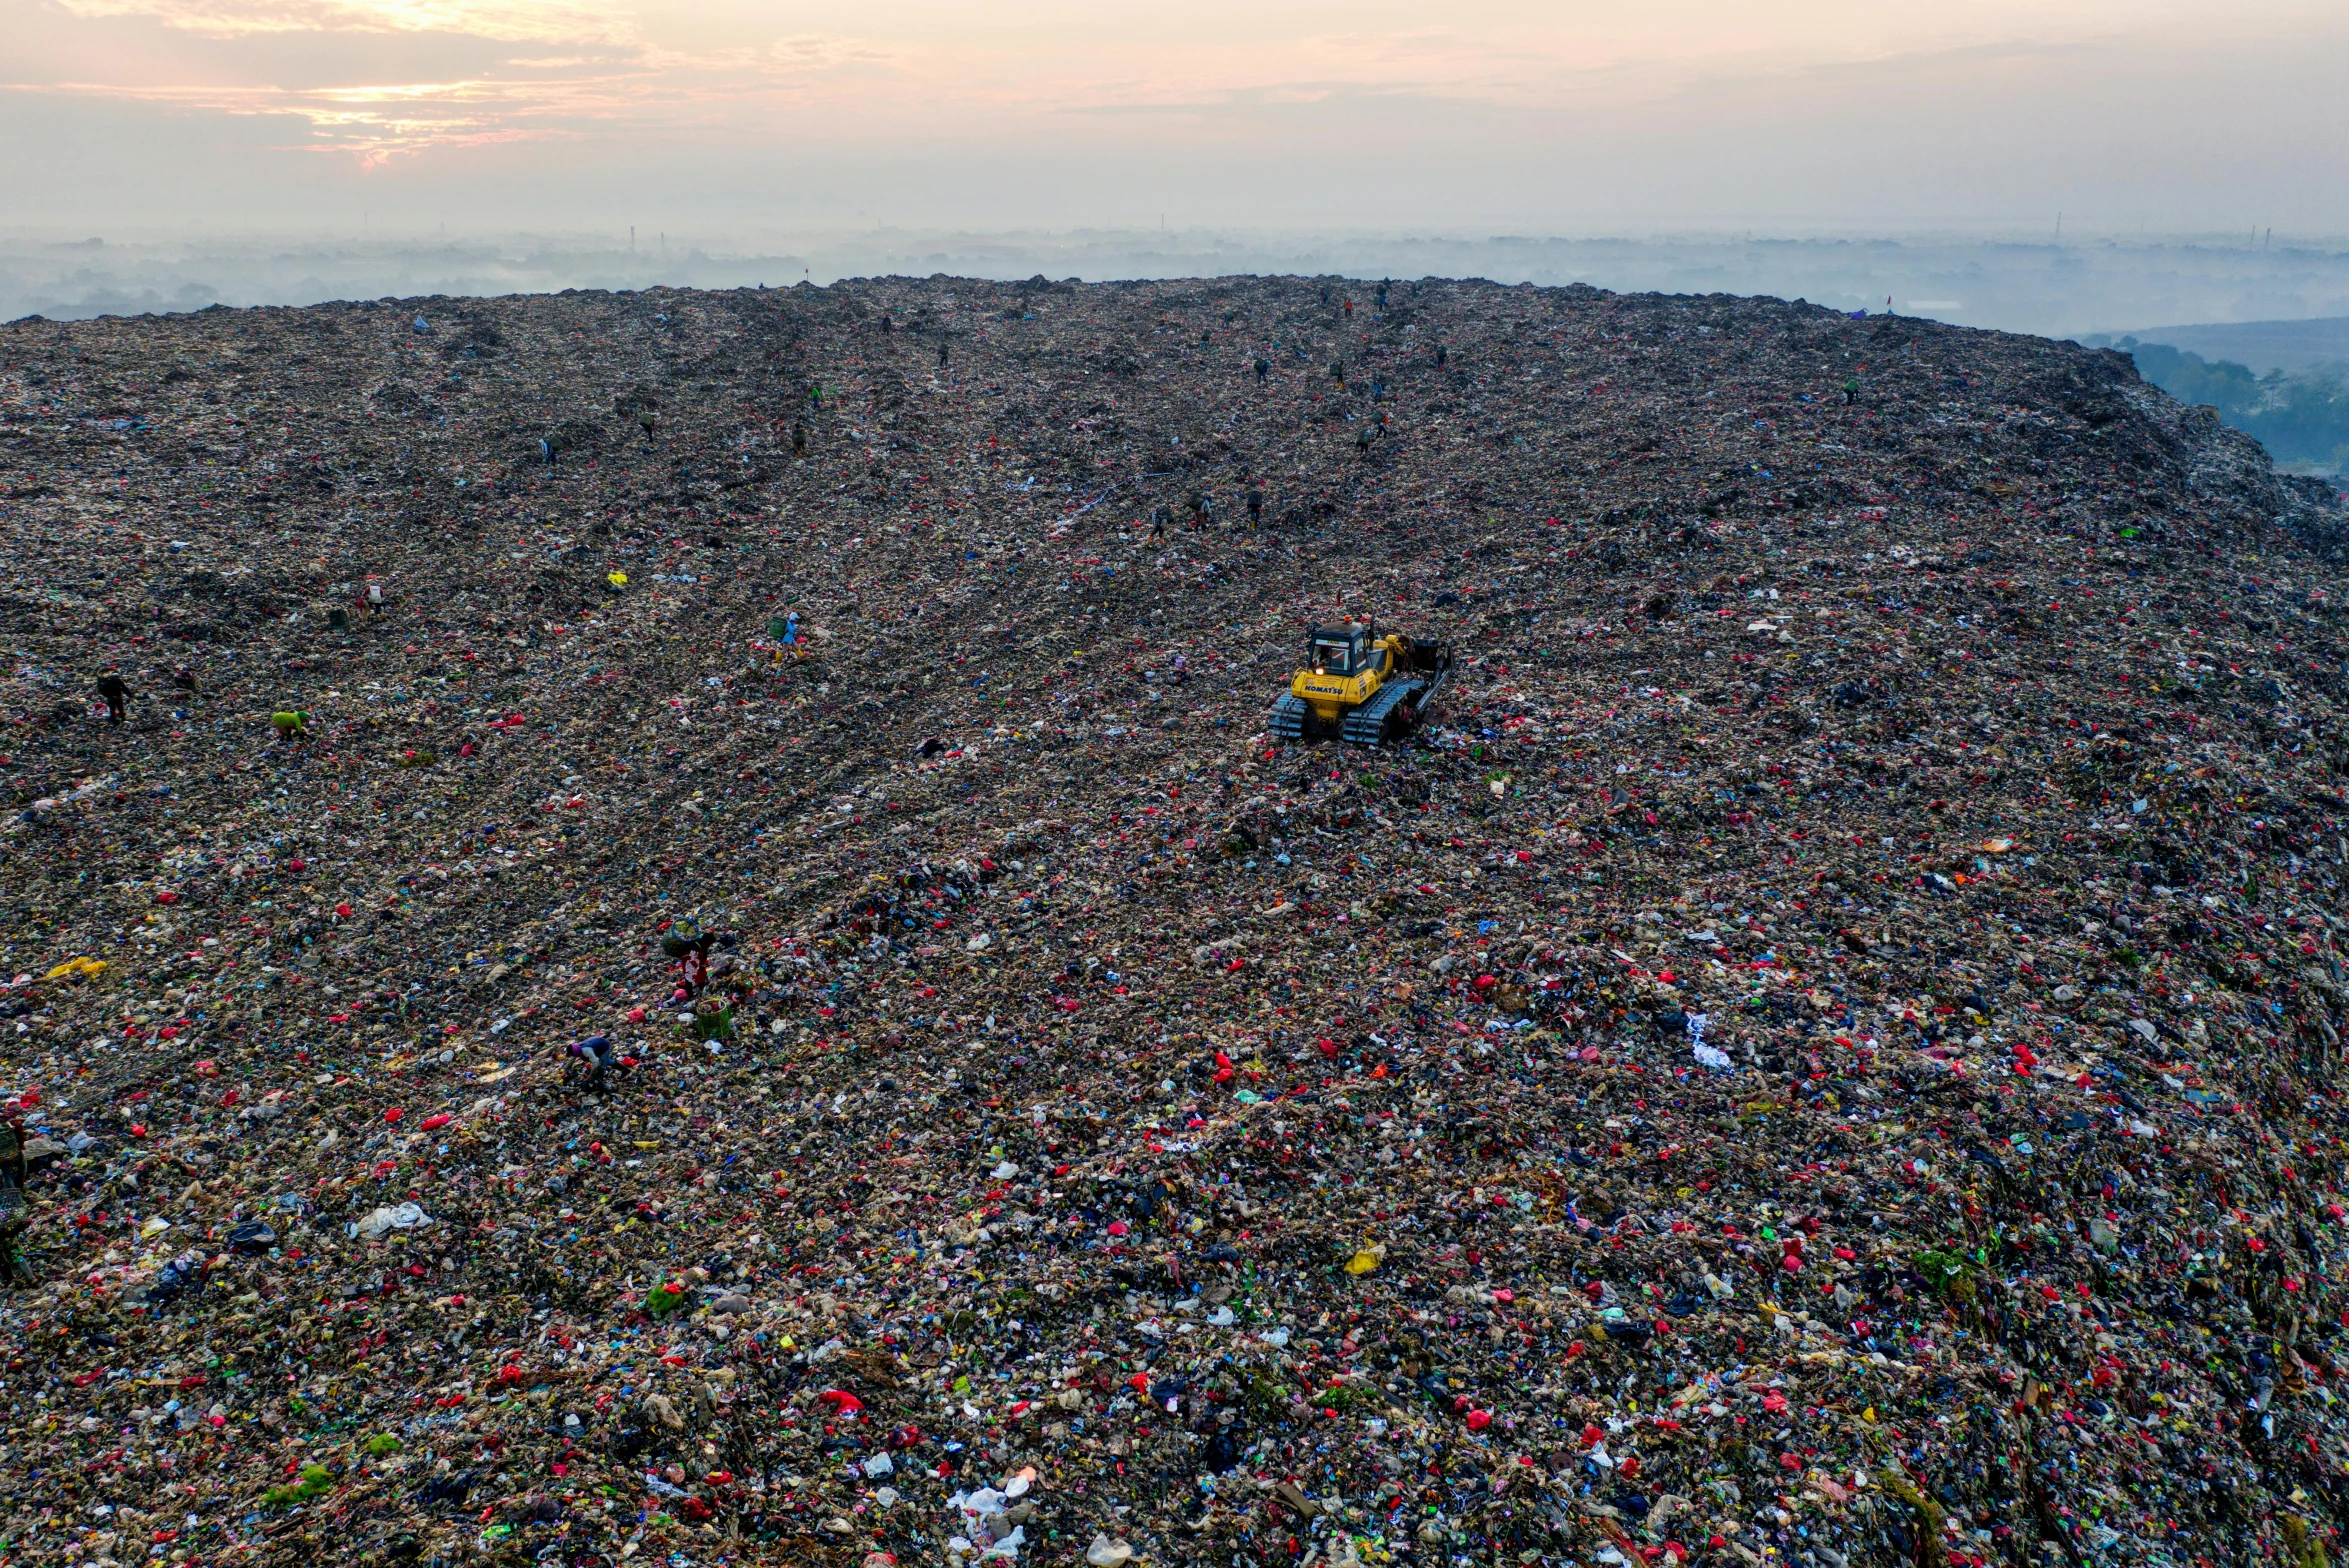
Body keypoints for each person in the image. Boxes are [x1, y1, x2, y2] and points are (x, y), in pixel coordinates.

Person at [0, 1106, 30, 1288]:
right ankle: (30, 1278)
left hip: (4, 1224)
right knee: (14, 1250)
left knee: (5, 1254)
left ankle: (10, 1278)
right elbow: (19, 1126)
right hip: (8, 1222)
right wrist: (21, 1145)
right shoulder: (8, 1123)